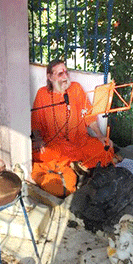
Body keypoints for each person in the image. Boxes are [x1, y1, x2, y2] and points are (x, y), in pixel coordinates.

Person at [31, 59, 115, 198]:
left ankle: (75, 167)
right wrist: (39, 140)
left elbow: (89, 116)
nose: (65, 77)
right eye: (60, 74)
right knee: (38, 155)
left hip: (80, 140)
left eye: (66, 72)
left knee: (105, 147)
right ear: (50, 77)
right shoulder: (42, 94)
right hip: (56, 145)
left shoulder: (76, 88)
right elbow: (36, 122)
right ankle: (78, 168)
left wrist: (100, 135)